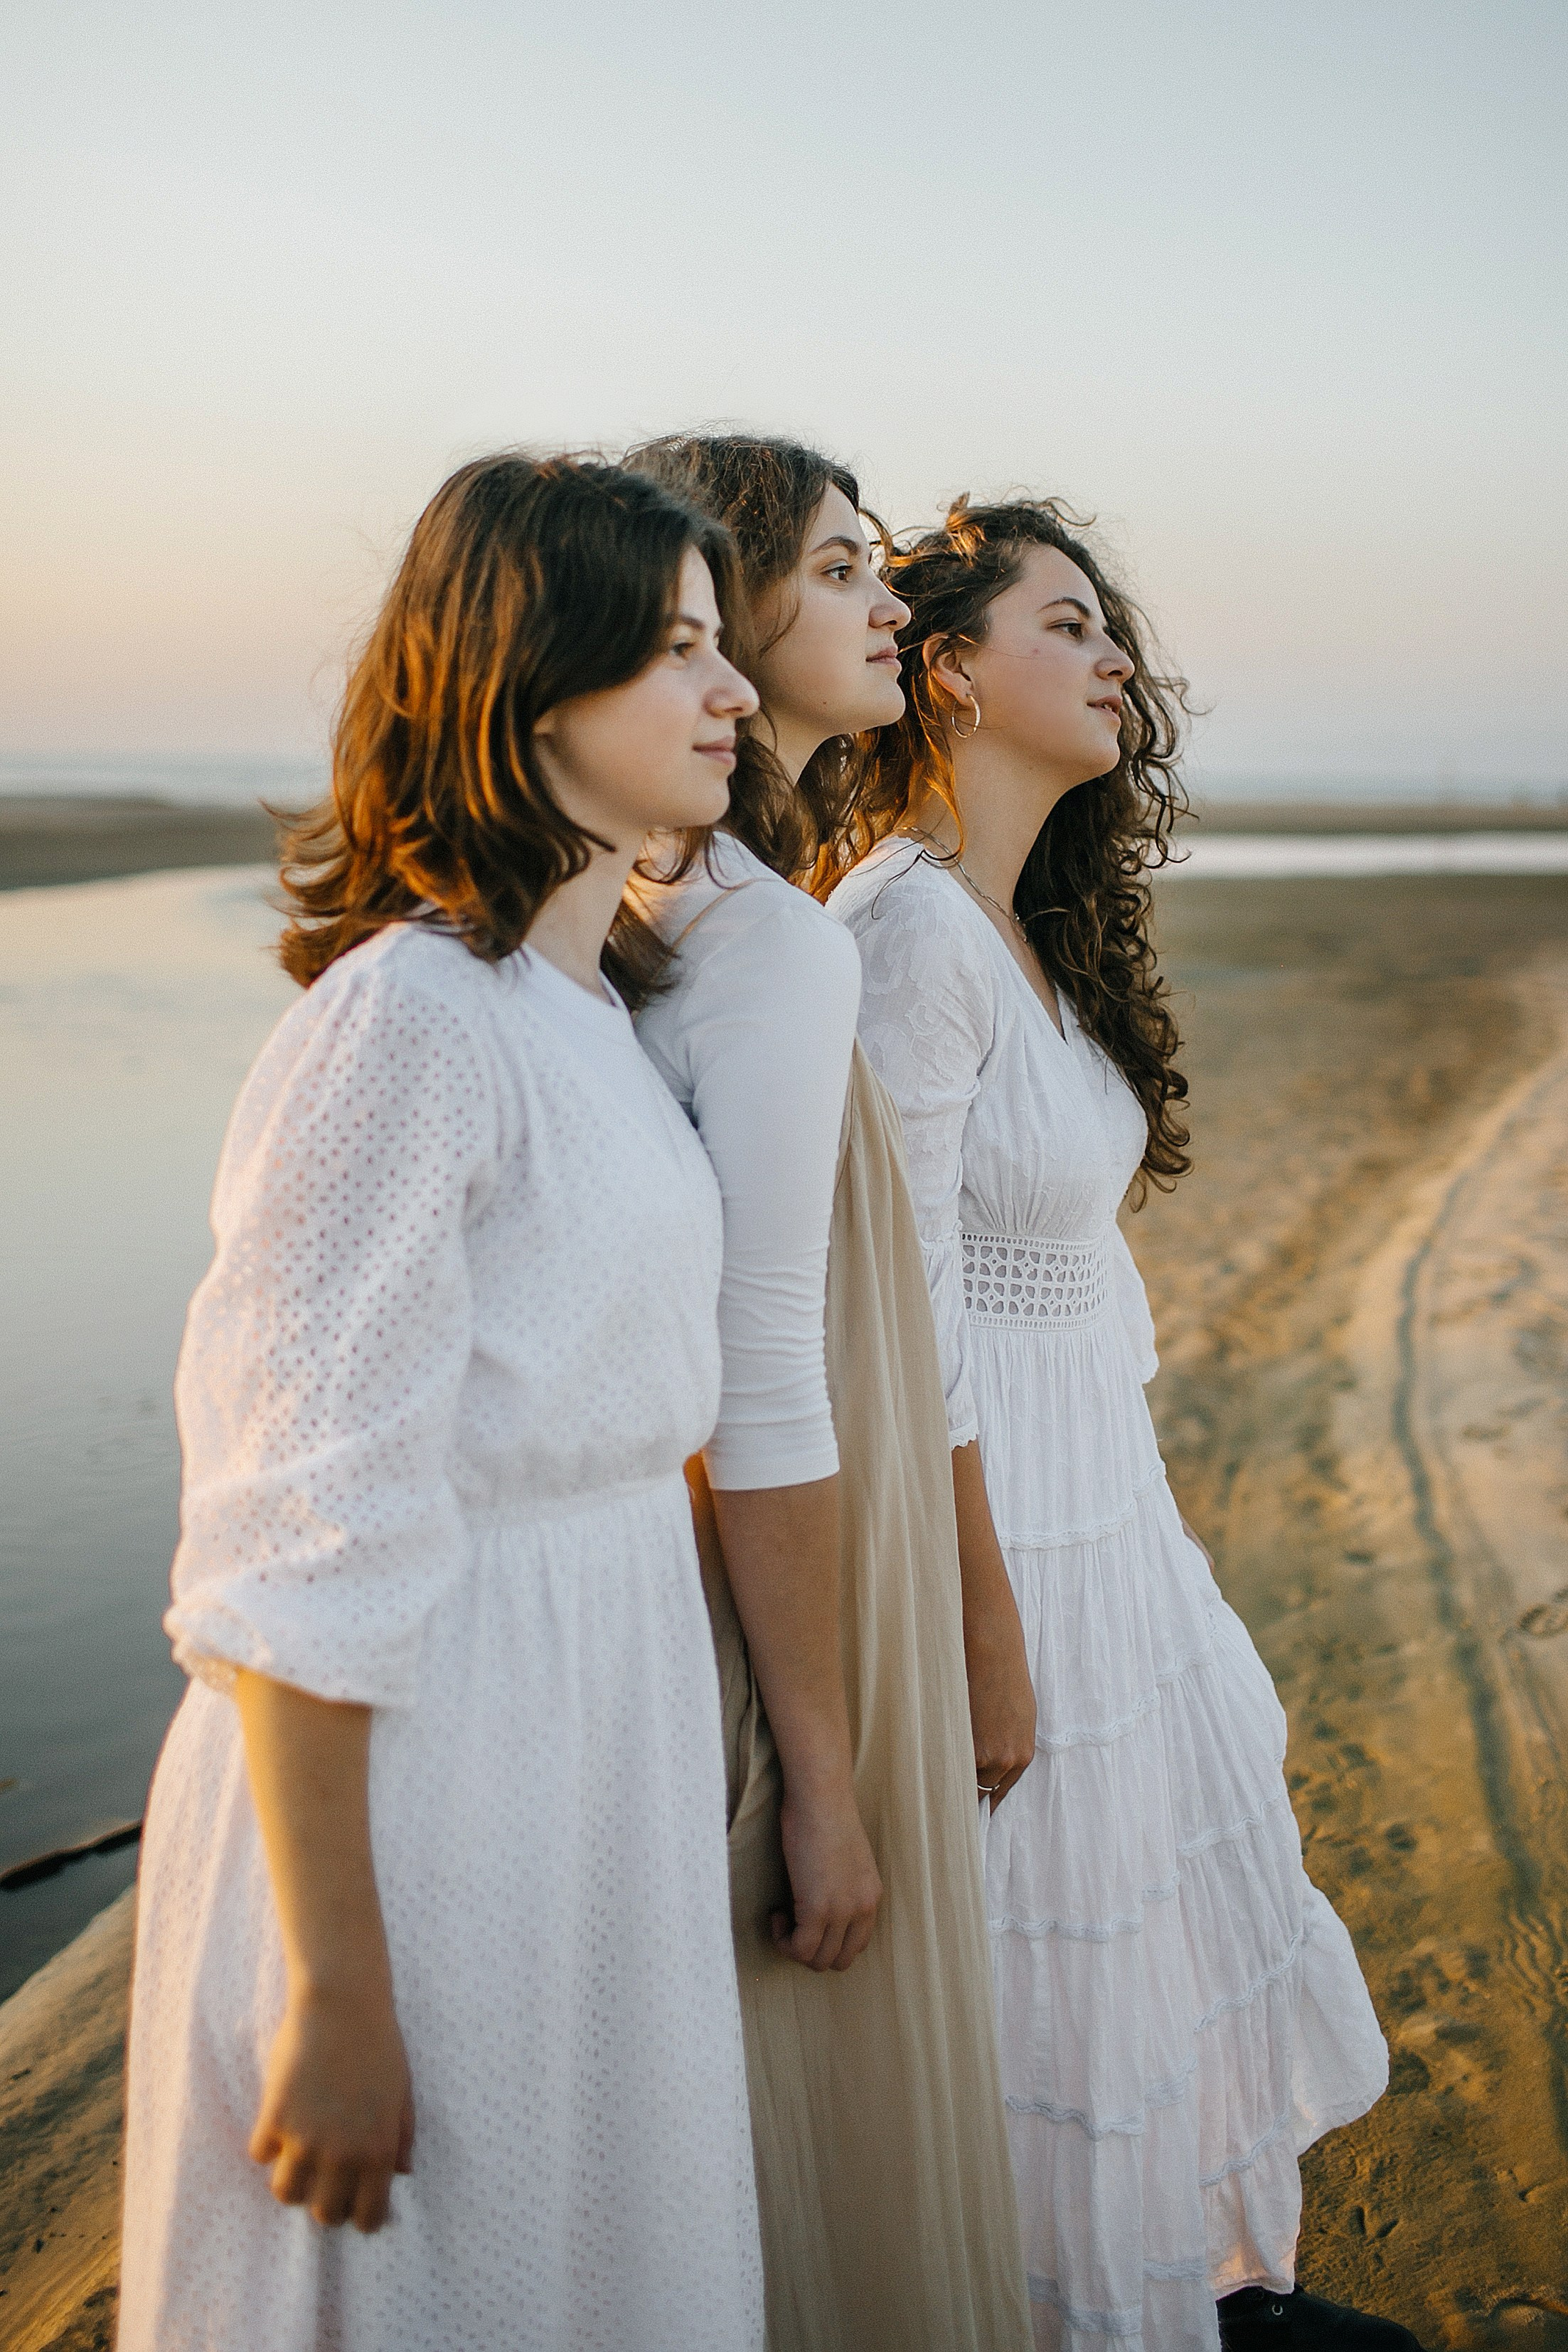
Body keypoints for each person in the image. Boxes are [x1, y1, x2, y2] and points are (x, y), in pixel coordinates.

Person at [118, 453, 766, 2352]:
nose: (733, 690)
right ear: (532, 685)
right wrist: (332, 1983)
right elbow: (295, 1542)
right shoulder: (407, 1021)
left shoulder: (591, 1018)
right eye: (677, 649)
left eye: (725, 645)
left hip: (594, 1733)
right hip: (437, 1766)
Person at [828, 496, 1412, 2352]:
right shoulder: (906, 934)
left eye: (1110, 631)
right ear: (947, 671)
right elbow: (898, 1322)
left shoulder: (1014, 926)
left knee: (1139, 1923)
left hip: (1097, 1500)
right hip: (999, 1531)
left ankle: (1197, 2287)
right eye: (1066, 624)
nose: (1113, 660)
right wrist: (984, 1622)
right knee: (1040, 1951)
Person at [628, 434, 1033, 2352]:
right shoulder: (750, 930)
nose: (892, 602)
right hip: (801, 1539)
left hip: (807, 1513)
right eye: (846, 568)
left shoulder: (745, 894)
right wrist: (829, 1755)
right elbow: (761, 1360)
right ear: (722, 599)